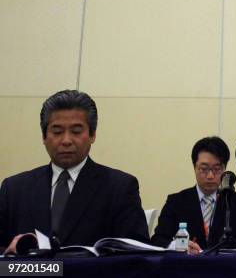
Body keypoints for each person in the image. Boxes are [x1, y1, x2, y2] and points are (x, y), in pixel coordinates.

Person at [0, 90, 149, 254]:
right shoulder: (14, 189)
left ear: (92, 135)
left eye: (76, 132)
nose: (66, 141)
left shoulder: (120, 187)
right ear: (44, 136)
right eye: (57, 132)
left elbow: (137, 256)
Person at [151, 137, 236, 253]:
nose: (210, 176)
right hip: (188, 267)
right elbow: (158, 240)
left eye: (217, 169)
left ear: (225, 169)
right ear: (194, 167)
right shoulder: (176, 202)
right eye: (204, 169)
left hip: (226, 267)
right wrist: (177, 245)